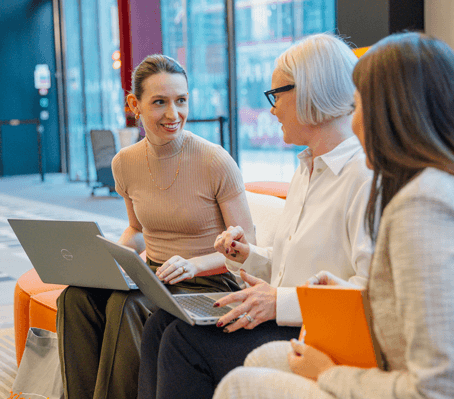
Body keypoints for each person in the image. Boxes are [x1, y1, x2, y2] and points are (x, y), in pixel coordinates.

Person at [213, 32, 454, 399]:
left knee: (240, 385)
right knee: (263, 359)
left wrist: (331, 375)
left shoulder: (427, 208)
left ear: (391, 114)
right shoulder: (453, 185)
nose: (351, 121)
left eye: (357, 105)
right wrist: (341, 294)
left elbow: (441, 388)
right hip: (397, 367)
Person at [138, 33, 374, 399]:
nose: (272, 109)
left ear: (309, 91)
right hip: (284, 318)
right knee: (159, 326)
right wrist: (247, 256)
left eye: (276, 94)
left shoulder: (363, 176)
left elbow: (372, 291)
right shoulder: (308, 169)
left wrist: (279, 303)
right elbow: (285, 268)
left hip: (316, 334)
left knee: (184, 342)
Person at [56, 54, 255, 399]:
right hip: (153, 275)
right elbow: (135, 228)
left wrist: (193, 264)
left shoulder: (214, 160)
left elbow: (248, 246)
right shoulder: (124, 163)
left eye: (181, 101)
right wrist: (113, 256)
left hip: (209, 280)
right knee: (75, 298)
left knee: (126, 306)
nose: (173, 114)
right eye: (159, 102)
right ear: (135, 104)